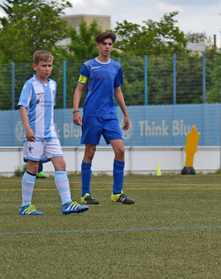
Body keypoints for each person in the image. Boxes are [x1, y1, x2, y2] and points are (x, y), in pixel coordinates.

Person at [18, 50, 89, 215]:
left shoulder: (53, 84)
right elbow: (23, 107)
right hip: (34, 134)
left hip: (50, 134)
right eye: (43, 65)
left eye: (50, 65)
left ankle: (67, 203)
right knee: (34, 167)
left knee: (61, 164)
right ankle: (25, 206)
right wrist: (28, 128)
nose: (47, 68)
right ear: (35, 66)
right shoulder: (30, 85)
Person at [73, 32, 134, 205]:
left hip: (110, 117)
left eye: (110, 44)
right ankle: (85, 195)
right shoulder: (88, 66)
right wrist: (76, 111)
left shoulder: (116, 67)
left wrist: (126, 114)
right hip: (92, 115)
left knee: (120, 150)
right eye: (104, 44)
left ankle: (117, 193)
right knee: (90, 153)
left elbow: (118, 91)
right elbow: (79, 89)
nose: (107, 47)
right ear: (98, 45)